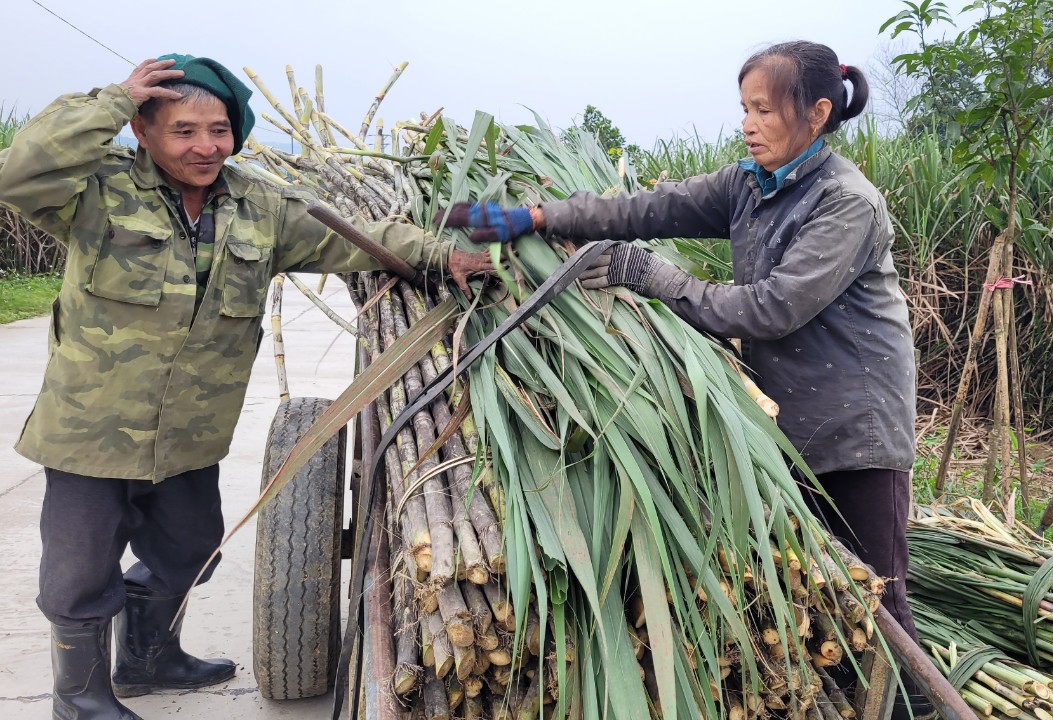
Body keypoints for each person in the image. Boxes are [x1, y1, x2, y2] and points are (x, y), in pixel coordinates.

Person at [442, 41, 929, 717]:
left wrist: (657, 279)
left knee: (879, 597)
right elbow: (646, 211)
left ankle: (912, 708)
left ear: (817, 114)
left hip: (855, 427)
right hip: (790, 421)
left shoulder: (846, 202)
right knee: (824, 590)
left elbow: (773, 309)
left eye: (764, 109)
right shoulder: (748, 185)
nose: (749, 124)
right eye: (744, 109)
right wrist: (540, 217)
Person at [0, 55, 488, 720]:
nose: (206, 147)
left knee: (191, 549)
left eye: (220, 130)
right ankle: (79, 698)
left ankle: (147, 658)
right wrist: (110, 99)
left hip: (190, 435)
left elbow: (356, 238)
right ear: (142, 131)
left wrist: (440, 255)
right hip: (92, 431)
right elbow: (20, 172)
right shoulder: (96, 192)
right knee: (79, 574)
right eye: (183, 131)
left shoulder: (260, 207)